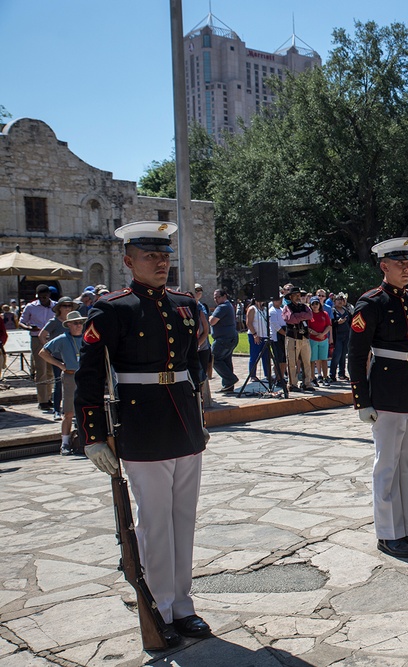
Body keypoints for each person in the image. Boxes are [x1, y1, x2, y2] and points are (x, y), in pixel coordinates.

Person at [75, 221, 211, 646]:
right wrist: (94, 435)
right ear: (128, 261)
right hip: (142, 423)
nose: (161, 262)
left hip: (184, 422)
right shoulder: (112, 309)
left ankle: (184, 605)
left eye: (165, 255)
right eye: (151, 256)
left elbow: (194, 362)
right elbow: (90, 376)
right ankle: (161, 608)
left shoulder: (184, 304)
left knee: (183, 520)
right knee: (154, 522)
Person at [347, 237, 408, 559]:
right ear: (384, 266)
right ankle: (387, 533)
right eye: (399, 263)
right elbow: (356, 355)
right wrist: (362, 400)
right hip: (385, 393)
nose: (406, 268)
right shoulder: (371, 303)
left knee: (407, 466)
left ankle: (405, 530)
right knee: (387, 466)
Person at [39, 310, 86, 455]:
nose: (79, 325)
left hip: (86, 377)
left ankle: (87, 441)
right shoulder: (62, 339)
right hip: (71, 376)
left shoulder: (86, 338)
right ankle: (65, 443)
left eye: (81, 323)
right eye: (76, 323)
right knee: (68, 412)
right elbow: (43, 352)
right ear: (69, 325)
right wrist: (60, 365)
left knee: (87, 409)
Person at [18, 284, 56, 411]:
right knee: (41, 369)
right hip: (36, 339)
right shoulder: (31, 307)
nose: (42, 299)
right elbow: (21, 321)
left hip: (52, 339)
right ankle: (42, 400)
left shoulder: (55, 307)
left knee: (51, 370)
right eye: (40, 297)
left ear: (49, 296)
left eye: (44, 297)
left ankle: (49, 397)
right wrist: (29, 328)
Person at [40, 296, 78, 420]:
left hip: (73, 359)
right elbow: (42, 335)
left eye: (69, 306)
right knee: (58, 384)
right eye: (65, 306)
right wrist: (51, 349)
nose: (67, 308)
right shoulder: (54, 322)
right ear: (59, 308)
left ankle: (73, 411)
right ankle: (57, 410)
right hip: (59, 358)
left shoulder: (77, 321)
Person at [282, 287, 314, 392]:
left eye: (299, 295)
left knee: (306, 361)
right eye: (295, 295)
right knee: (292, 362)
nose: (297, 297)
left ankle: (307, 383)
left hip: (304, 337)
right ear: (290, 297)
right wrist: (301, 316)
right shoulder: (287, 307)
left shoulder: (305, 307)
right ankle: (292, 384)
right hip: (292, 337)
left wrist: (298, 316)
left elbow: (309, 315)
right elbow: (290, 319)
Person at [209, 288, 238, 392]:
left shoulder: (222, 307)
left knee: (214, 359)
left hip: (223, 339)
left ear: (224, 296)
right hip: (230, 337)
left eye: (218, 297)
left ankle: (230, 379)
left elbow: (212, 321)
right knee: (226, 360)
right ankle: (228, 386)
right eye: (214, 297)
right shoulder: (228, 305)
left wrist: (210, 317)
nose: (216, 299)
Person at [307, 296, 332, 385]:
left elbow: (329, 326)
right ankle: (313, 378)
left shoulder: (324, 314)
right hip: (313, 339)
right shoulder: (309, 315)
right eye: (313, 304)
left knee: (324, 359)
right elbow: (308, 328)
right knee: (312, 360)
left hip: (323, 339)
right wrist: (317, 334)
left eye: (316, 304)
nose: (315, 306)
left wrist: (322, 334)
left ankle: (325, 377)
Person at [245, 297, 270, 383]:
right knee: (254, 356)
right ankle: (252, 375)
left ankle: (268, 374)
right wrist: (255, 334)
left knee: (266, 356)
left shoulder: (265, 309)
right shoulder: (252, 309)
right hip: (255, 335)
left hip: (264, 336)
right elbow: (249, 323)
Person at [330, 293, 352, 381]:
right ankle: (332, 374)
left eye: (341, 300)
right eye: (338, 300)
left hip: (346, 335)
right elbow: (331, 323)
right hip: (337, 336)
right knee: (337, 355)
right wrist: (337, 322)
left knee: (343, 355)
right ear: (334, 301)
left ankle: (342, 374)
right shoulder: (333, 311)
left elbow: (351, 322)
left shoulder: (346, 310)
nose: (340, 301)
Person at [267, 294, 287, 385]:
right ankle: (278, 377)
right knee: (278, 359)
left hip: (283, 338)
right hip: (276, 338)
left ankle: (282, 376)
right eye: (278, 299)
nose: (280, 301)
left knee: (283, 359)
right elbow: (276, 326)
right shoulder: (272, 311)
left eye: (281, 299)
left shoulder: (282, 310)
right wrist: (285, 334)